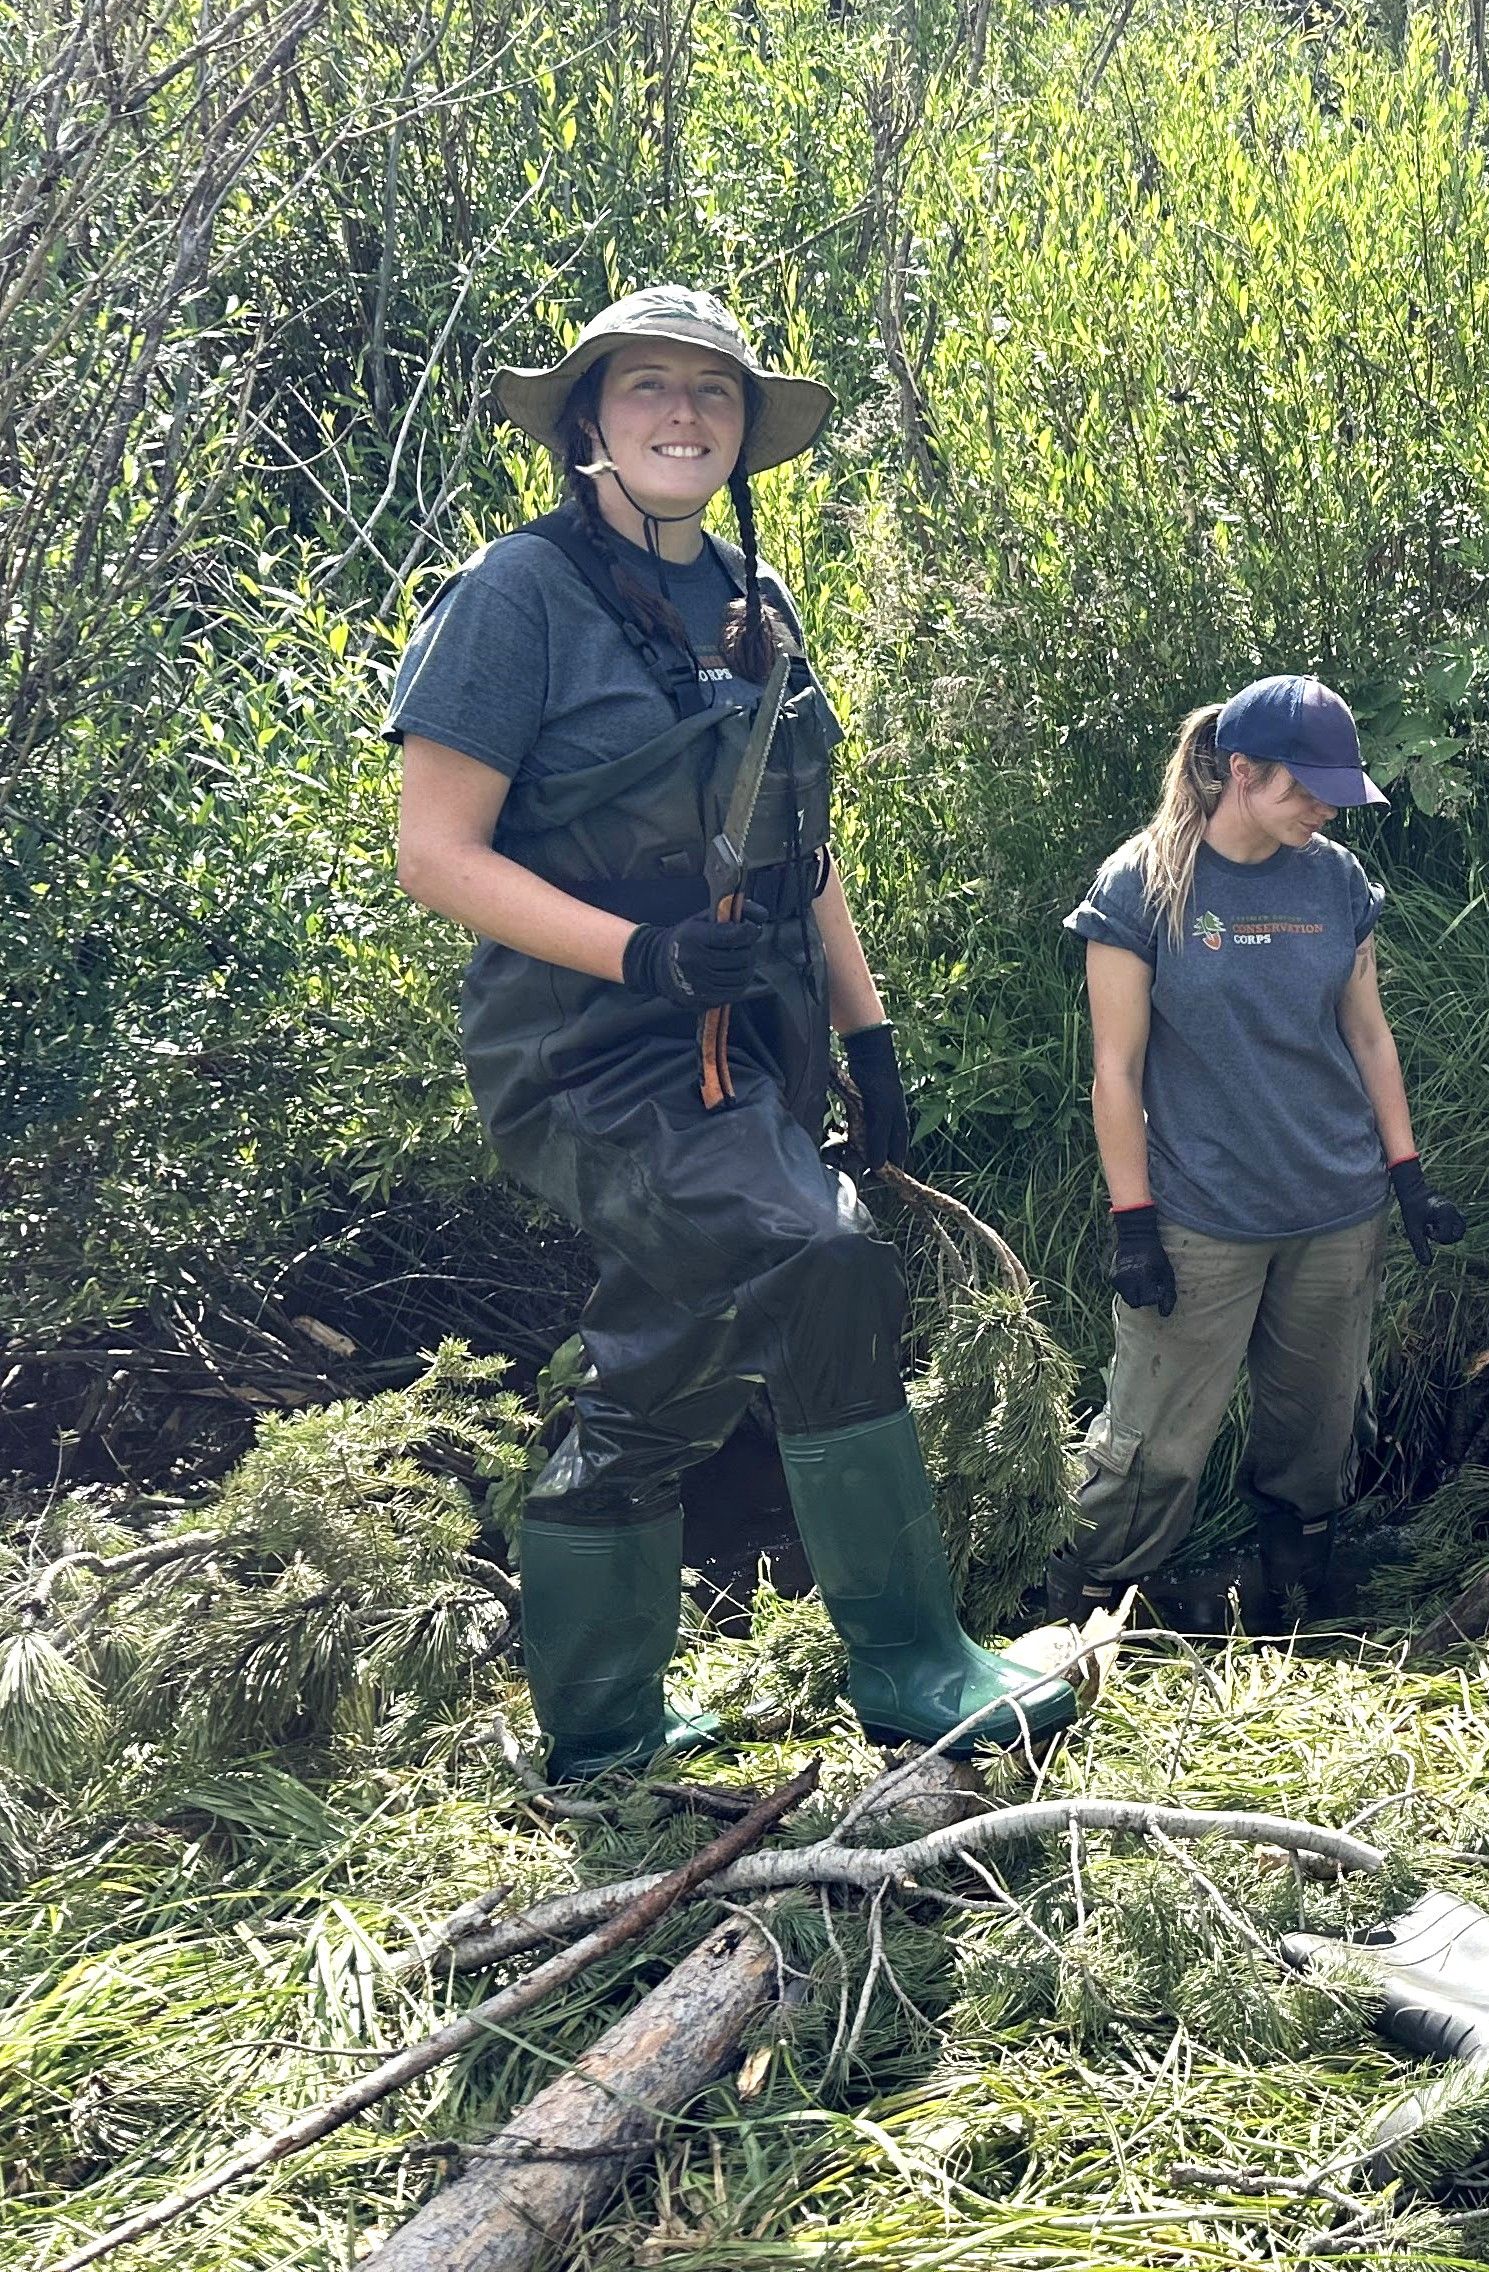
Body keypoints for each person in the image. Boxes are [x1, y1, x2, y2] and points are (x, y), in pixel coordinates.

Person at [391, 286, 1077, 1782]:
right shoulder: (516, 595)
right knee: (816, 1257)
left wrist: (868, 1032)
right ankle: (912, 1662)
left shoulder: (752, 606)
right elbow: (437, 856)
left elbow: (799, 848)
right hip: (589, 1057)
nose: (682, 415)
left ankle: (599, 1730)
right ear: (590, 421)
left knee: (667, 1360)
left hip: (751, 1050)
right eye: (647, 387)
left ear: (743, 435)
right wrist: (641, 951)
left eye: (711, 393)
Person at [1051, 677, 1465, 1626]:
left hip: (1337, 1210)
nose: (1323, 809)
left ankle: (1295, 1600)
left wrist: (1407, 1176)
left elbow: (1368, 1037)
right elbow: (1114, 1069)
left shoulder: (1335, 882)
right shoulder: (1142, 885)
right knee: (1154, 1441)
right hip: (1203, 1218)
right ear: (1241, 772)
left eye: (1333, 791)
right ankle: (1085, 1607)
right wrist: (1134, 1224)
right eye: (1305, 789)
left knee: (1317, 1429)